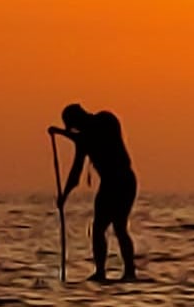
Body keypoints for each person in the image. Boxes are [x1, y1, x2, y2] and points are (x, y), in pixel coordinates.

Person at [49, 103, 137, 282]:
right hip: (108, 183)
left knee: (119, 227)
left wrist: (63, 133)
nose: (74, 130)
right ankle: (100, 272)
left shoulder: (106, 119)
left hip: (123, 180)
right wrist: (64, 197)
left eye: (73, 126)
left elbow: (93, 135)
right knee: (97, 229)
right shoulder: (83, 141)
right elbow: (75, 174)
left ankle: (129, 272)